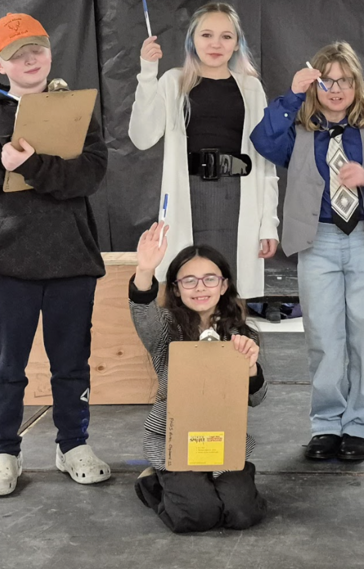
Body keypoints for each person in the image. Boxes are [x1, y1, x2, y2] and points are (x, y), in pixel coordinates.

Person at [0, 12, 111, 496]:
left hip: (70, 256)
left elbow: (89, 174)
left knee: (72, 360)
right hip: (5, 259)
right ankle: (3, 452)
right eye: (18, 54)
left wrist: (35, 166)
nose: (31, 60)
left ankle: (73, 444)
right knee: (6, 366)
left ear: (49, 53)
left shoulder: (75, 106)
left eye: (38, 50)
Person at [251, 42, 364, 463]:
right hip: (317, 241)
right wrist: (290, 97)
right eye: (326, 81)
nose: (336, 89)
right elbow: (263, 140)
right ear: (314, 84)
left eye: (345, 80)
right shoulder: (300, 128)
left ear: (357, 83)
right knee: (323, 336)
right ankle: (326, 423)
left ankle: (360, 422)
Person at [129, 1, 279, 299]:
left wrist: (269, 224)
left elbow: (265, 161)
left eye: (226, 36)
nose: (216, 44)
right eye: (206, 35)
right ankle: (188, 346)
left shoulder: (251, 88)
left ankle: (226, 345)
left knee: (229, 287)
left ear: (237, 44)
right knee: (188, 284)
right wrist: (147, 73)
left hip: (238, 197)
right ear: (192, 41)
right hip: (188, 194)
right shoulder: (173, 82)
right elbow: (142, 137)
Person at [129, 222, 268, 533]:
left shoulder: (240, 334)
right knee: (198, 516)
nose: (200, 287)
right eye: (189, 280)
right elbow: (144, 316)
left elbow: (257, 399)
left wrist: (250, 367)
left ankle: (228, 485)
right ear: (176, 289)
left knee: (242, 515)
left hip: (224, 441)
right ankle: (153, 482)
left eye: (209, 279)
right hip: (174, 439)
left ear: (223, 285)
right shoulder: (167, 327)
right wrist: (145, 269)